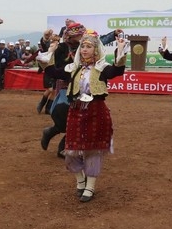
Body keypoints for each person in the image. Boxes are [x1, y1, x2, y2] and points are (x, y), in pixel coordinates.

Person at [39, 30, 128, 202]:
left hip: (96, 111)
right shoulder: (74, 68)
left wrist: (121, 49)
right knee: (71, 151)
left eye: (88, 47)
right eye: (83, 46)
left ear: (96, 50)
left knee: (92, 151)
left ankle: (90, 187)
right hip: (76, 110)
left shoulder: (102, 68)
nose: (84, 49)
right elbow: (52, 71)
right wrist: (50, 51)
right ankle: (80, 181)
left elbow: (118, 70)